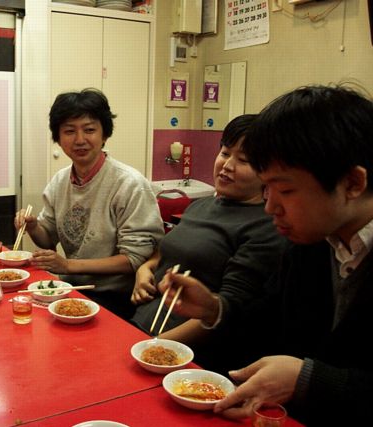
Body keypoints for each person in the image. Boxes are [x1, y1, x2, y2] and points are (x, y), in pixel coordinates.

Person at [159, 84, 373, 425]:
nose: (270, 207)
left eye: (285, 190)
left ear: (352, 184)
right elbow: (263, 321)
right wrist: (214, 307)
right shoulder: (311, 244)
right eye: (267, 188)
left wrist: (308, 379)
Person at [130, 114, 287, 373]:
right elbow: (167, 251)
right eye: (225, 153)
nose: (227, 165)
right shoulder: (200, 205)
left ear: (269, 173)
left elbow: (227, 309)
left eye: (244, 160)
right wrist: (144, 269)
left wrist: (151, 347)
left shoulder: (265, 226)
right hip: (140, 324)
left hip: (182, 354)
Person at [14, 88, 163, 319]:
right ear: (58, 138)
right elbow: (48, 240)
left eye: (90, 130)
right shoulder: (60, 181)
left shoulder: (129, 184)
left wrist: (68, 266)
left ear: (104, 135)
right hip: (70, 290)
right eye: (69, 131)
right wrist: (33, 227)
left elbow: (135, 259)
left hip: (117, 298)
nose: (80, 140)